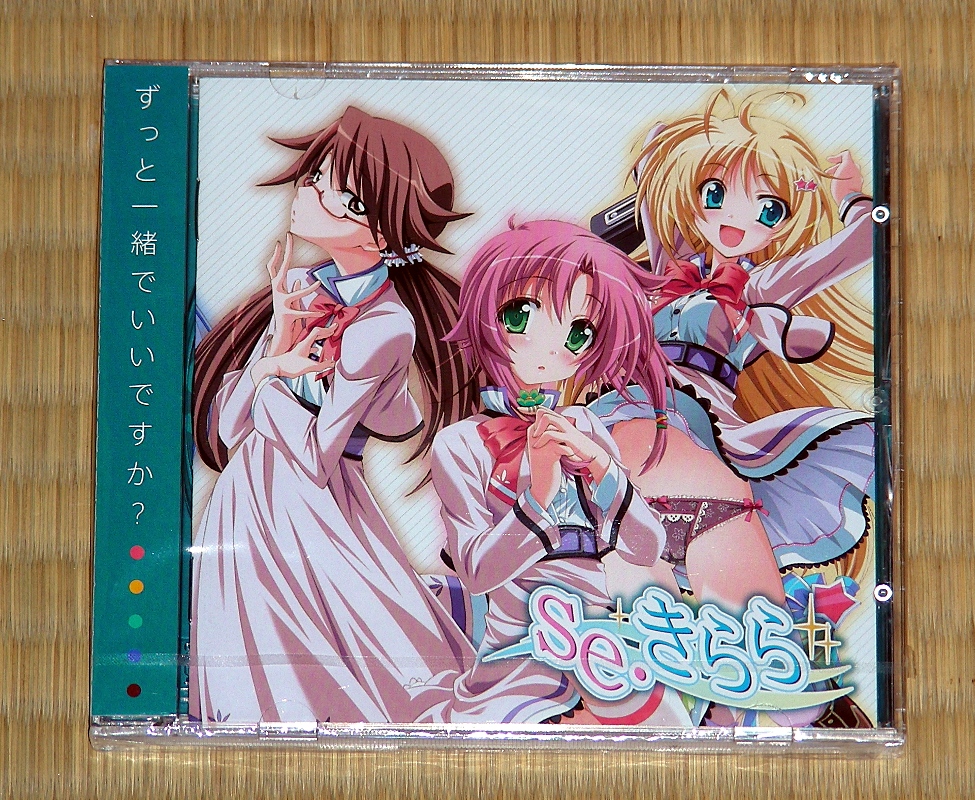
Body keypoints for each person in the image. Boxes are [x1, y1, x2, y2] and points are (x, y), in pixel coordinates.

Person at [188, 107, 479, 725]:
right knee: (249, 655)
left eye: (342, 195)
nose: (310, 191)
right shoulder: (304, 289)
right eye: (317, 175)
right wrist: (273, 352)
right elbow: (230, 429)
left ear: (385, 233)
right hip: (248, 497)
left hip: (312, 510)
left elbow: (319, 456)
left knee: (339, 672)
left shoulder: (384, 325)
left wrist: (269, 384)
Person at [433, 220, 690, 726]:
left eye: (578, 333)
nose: (550, 349)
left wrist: (598, 464)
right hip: (518, 654)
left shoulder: (584, 426)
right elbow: (477, 572)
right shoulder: (462, 442)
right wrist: (540, 494)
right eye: (521, 314)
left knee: (673, 738)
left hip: (603, 651)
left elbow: (647, 546)